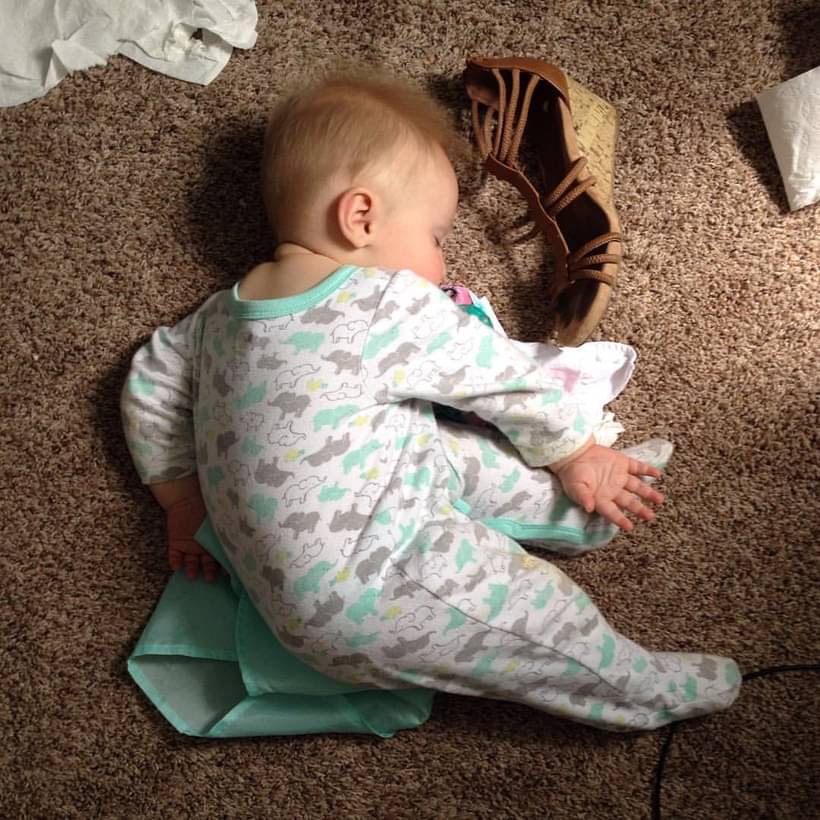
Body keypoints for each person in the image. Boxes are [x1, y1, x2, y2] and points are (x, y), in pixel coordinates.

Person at [121, 67, 741, 731]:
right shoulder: (385, 302)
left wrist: (182, 501)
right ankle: (640, 691)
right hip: (378, 586)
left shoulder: (215, 319)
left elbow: (148, 384)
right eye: (437, 238)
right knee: (535, 615)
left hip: (305, 586)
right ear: (360, 217)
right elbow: (502, 378)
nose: (443, 265)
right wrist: (575, 449)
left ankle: (574, 514)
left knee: (438, 447)